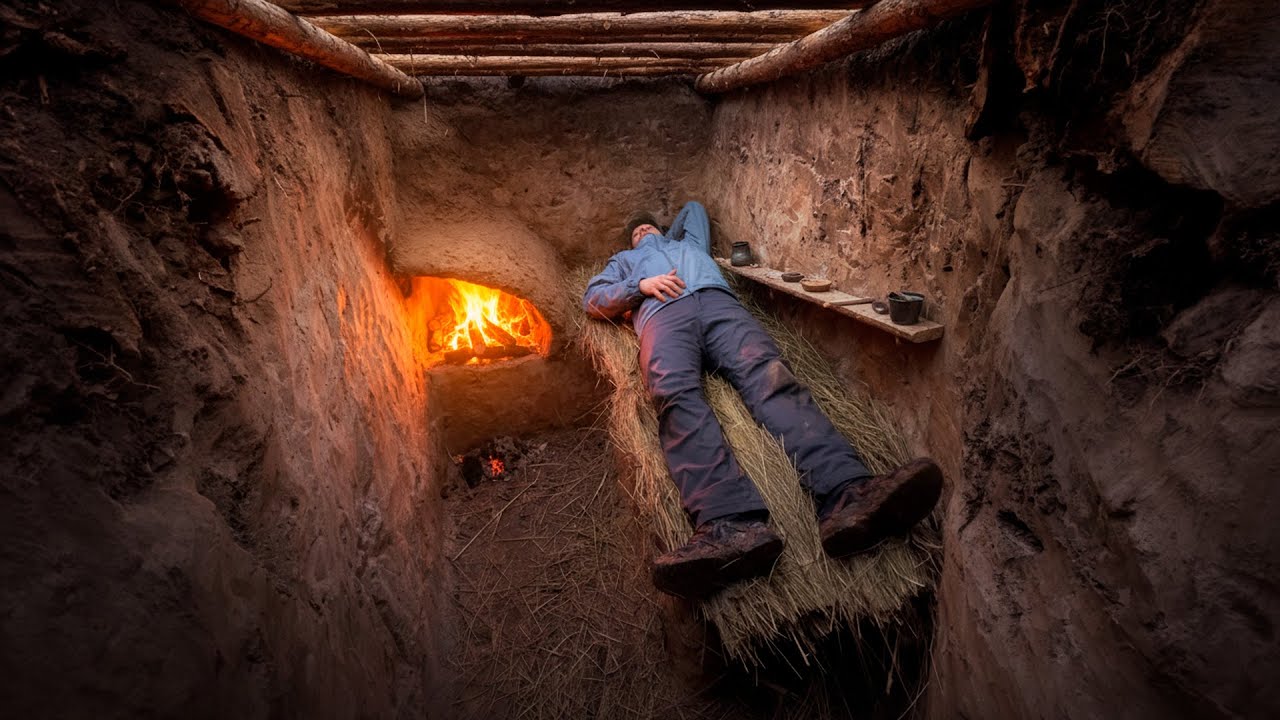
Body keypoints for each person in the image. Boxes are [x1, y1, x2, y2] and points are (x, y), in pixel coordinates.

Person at [582, 201, 942, 599]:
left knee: (771, 378)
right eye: (635, 233)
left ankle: (847, 493)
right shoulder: (624, 260)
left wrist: (662, 227)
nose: (641, 234)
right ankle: (729, 525)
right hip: (662, 316)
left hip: (719, 304)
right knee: (674, 396)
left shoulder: (690, 243)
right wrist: (640, 286)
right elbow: (593, 298)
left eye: (646, 229)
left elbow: (694, 210)